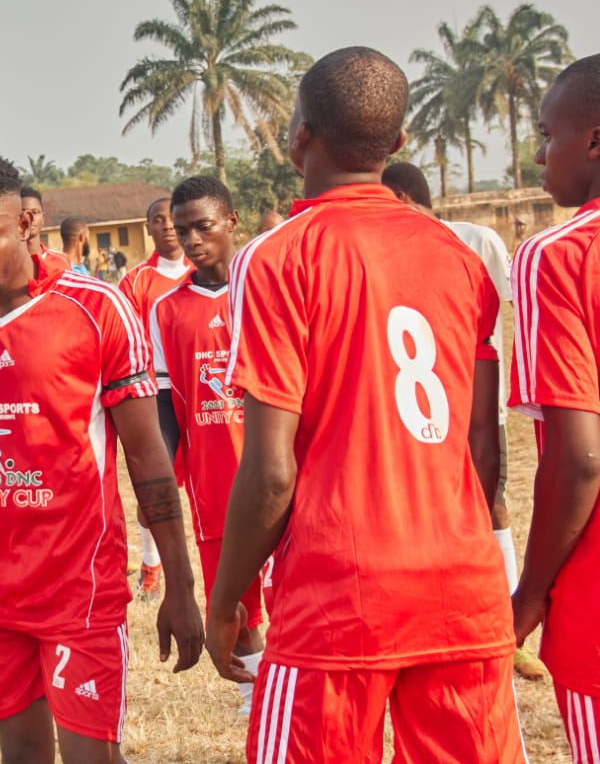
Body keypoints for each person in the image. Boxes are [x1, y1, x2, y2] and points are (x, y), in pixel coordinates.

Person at [208, 47, 522, 761]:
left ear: (299, 135)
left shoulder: (279, 255)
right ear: (399, 143)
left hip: (340, 596)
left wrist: (229, 597)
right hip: (461, 589)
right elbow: (482, 444)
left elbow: (270, 473)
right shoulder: (459, 255)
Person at [0, 153, 203, 761]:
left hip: (80, 589)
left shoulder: (98, 309)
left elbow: (148, 458)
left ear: (26, 224)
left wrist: (180, 581)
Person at [383, 161, 547, 681]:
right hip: (418, 407)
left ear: (403, 195)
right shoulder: (391, 247)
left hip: (476, 402)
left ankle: (508, 624)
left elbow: (502, 318)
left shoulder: (476, 239)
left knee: (489, 503)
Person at [508, 53, 600, 761]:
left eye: (547, 133)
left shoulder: (560, 255)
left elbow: (580, 460)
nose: (538, 153)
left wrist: (532, 590)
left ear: (594, 140)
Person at [150, 175, 264, 715]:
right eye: (181, 230)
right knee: (236, 602)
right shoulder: (168, 310)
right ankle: (255, 696)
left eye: (203, 226)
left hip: (284, 471)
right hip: (215, 482)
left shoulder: (269, 286)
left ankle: (295, 688)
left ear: (231, 222)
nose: (191, 239)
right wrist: (159, 482)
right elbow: (166, 409)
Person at [119, 196, 194, 598]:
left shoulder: (204, 272)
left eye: (172, 219)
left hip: (203, 390)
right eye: (157, 220)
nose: (166, 226)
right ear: (148, 228)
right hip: (158, 392)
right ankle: (151, 565)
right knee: (154, 489)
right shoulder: (135, 282)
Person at [20, 185, 71, 271]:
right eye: (23, 212)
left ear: (43, 218)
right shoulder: (6, 264)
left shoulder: (61, 262)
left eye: (35, 212)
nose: (30, 217)